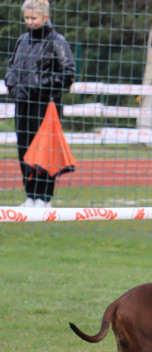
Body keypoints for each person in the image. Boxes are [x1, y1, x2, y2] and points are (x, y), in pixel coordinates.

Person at [4, 0, 75, 209]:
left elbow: (68, 74)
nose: (29, 22)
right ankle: (30, 195)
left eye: (33, 18)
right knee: (24, 149)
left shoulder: (57, 41)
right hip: (23, 104)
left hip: (46, 106)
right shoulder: (22, 40)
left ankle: (44, 198)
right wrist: (14, 86)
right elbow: (11, 67)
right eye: (26, 17)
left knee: (45, 150)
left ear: (45, 17)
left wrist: (39, 86)